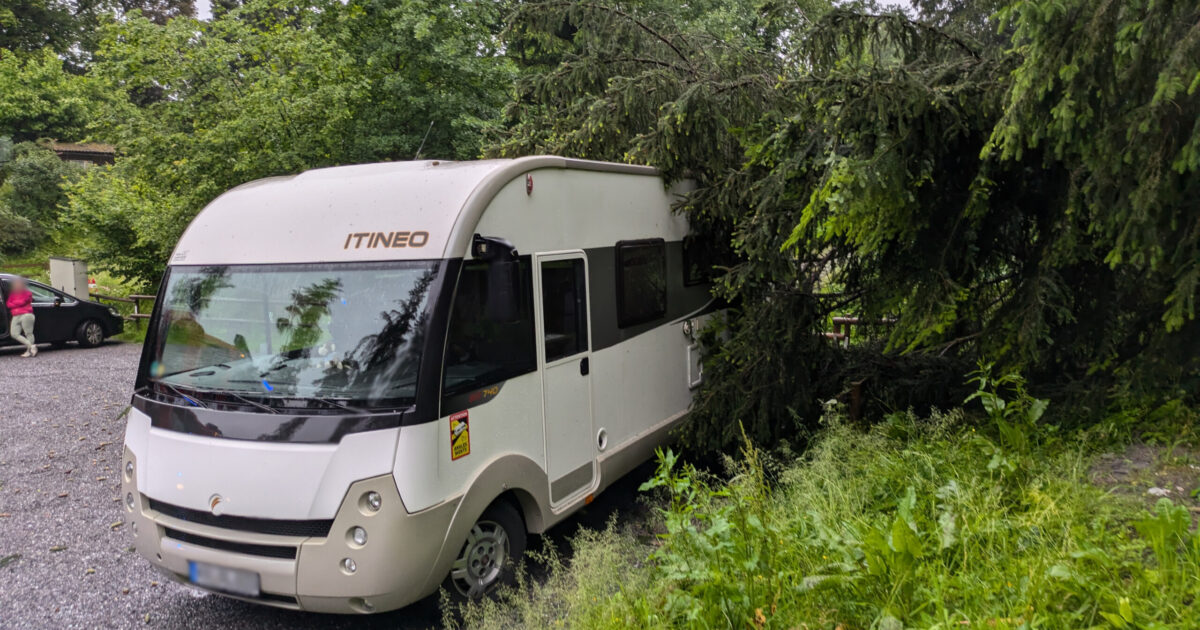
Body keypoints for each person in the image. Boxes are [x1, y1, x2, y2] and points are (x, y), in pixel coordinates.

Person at [6, 278, 37, 357]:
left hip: (26, 315)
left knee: (28, 333)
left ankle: (29, 351)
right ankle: (31, 346)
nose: (17, 285)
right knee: (14, 334)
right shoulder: (12, 294)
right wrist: (16, 303)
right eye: (16, 284)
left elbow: (23, 302)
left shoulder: (27, 293)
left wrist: (14, 303)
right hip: (15, 316)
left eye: (19, 284)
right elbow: (8, 304)